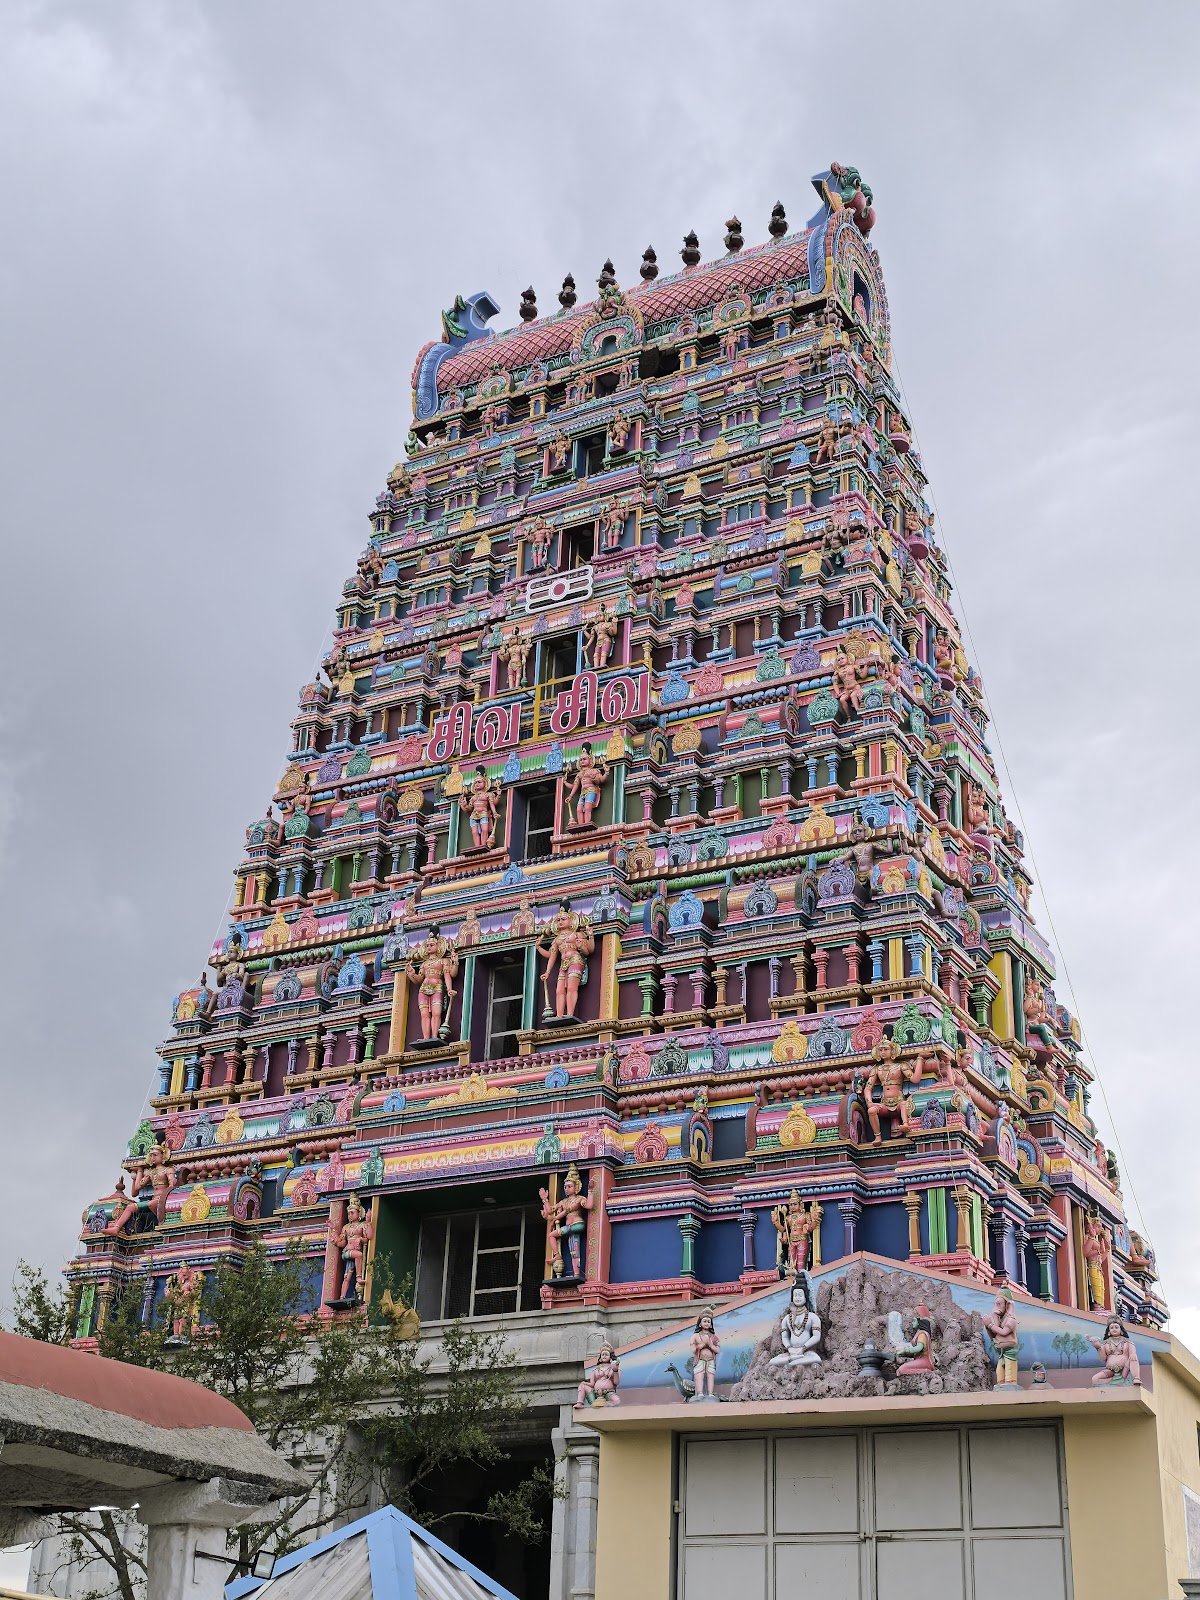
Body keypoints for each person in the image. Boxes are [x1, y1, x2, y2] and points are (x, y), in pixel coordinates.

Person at [769, 1277, 822, 1368]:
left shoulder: (812, 1317)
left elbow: (816, 1336)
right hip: (791, 1352)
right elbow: (785, 1337)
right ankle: (794, 1360)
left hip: (806, 1352)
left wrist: (803, 1348)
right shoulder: (787, 1318)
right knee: (772, 1361)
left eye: (800, 1295)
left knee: (816, 1359)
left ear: (806, 1296)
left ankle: (791, 1363)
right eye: (795, 1295)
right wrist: (789, 1348)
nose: (797, 1298)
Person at [983, 1286, 1019, 1387]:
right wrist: (989, 1325)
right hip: (1001, 1354)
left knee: (1009, 1381)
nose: (996, 1307)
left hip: (1010, 1354)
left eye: (999, 1304)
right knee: (1000, 1378)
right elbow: (995, 1335)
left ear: (1007, 1305)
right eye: (995, 1304)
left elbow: (1003, 1332)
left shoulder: (1011, 1319)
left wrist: (990, 1325)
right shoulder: (1002, 1319)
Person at [1090, 1317, 1141, 1385]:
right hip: (1110, 1371)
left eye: (1116, 1327)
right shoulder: (1106, 1344)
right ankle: (1114, 1381)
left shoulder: (1128, 1342)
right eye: (1112, 1328)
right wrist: (1098, 1347)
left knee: (1133, 1356)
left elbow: (1133, 1355)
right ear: (1108, 1331)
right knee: (1095, 1379)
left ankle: (1136, 1378)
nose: (1114, 1329)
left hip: (1125, 1369)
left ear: (1121, 1330)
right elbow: (1103, 1358)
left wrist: (1133, 1354)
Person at [577, 1343, 621, 1407]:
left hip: (608, 1393)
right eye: (602, 1354)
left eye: (606, 1355)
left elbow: (616, 1382)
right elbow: (592, 1384)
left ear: (610, 1357)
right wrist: (584, 1383)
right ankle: (579, 1403)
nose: (604, 1356)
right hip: (595, 1394)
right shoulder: (596, 1369)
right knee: (583, 1386)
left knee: (617, 1401)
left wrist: (615, 1370)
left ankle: (605, 1405)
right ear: (600, 1357)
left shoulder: (614, 1367)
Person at [690, 1309, 721, 1400]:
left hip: (711, 1360)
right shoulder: (695, 1336)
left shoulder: (714, 1337)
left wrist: (710, 1345)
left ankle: (710, 1393)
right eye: (704, 1321)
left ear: (711, 1324)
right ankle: (700, 1393)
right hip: (700, 1359)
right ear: (700, 1323)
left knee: (710, 1376)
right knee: (699, 1375)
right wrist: (703, 1344)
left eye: (708, 1322)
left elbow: (718, 1350)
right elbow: (693, 1350)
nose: (706, 1323)